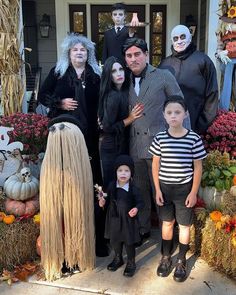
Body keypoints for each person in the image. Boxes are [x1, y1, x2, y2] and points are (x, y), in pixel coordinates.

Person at [123, 37, 189, 241]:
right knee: (140, 191)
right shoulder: (121, 79)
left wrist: (183, 140)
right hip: (134, 146)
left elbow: (179, 105)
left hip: (160, 147)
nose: (133, 59)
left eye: (137, 54)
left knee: (160, 192)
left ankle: (165, 231)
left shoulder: (162, 76)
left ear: (146, 55)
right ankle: (143, 229)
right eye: (129, 56)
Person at [149, 96, 207, 282]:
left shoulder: (193, 138)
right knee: (167, 223)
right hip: (165, 189)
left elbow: (198, 167)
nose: (173, 116)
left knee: (184, 225)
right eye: (169, 113)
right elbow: (155, 165)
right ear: (164, 116)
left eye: (177, 112)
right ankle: (166, 257)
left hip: (184, 190)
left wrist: (193, 192)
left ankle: (181, 260)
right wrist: (157, 189)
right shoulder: (160, 138)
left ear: (185, 114)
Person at [38, 33, 102, 184]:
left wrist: (102, 116)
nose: (79, 52)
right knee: (65, 163)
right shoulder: (58, 72)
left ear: (88, 53)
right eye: (75, 49)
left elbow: (103, 99)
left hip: (90, 128)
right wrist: (59, 103)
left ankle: (92, 200)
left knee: (89, 162)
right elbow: (42, 95)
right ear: (69, 53)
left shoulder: (96, 75)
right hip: (63, 127)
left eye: (83, 49)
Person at [40, 115, 95, 281]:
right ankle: (61, 259)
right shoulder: (50, 169)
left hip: (72, 183)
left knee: (75, 218)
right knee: (59, 223)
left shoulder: (80, 168)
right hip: (58, 187)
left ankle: (75, 257)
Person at [159, 25, 218, 134]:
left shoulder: (203, 61)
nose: (179, 41)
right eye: (175, 38)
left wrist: (202, 124)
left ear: (190, 38)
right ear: (171, 41)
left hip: (197, 126)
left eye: (182, 37)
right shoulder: (164, 64)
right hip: (168, 128)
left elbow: (212, 94)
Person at [98, 56, 143, 189]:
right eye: (113, 71)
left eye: (121, 69)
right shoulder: (113, 96)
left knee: (122, 185)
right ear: (108, 75)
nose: (119, 74)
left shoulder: (123, 91)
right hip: (112, 147)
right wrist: (130, 119)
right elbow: (107, 127)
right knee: (112, 185)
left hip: (121, 144)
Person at [98, 154, 144, 277]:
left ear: (131, 172)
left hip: (128, 220)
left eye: (127, 170)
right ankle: (118, 258)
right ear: (116, 172)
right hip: (114, 219)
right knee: (115, 241)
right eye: (120, 170)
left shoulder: (133, 188)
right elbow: (105, 199)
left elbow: (140, 202)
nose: (123, 173)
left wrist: (136, 208)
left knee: (129, 243)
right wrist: (102, 202)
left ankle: (131, 262)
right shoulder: (112, 185)